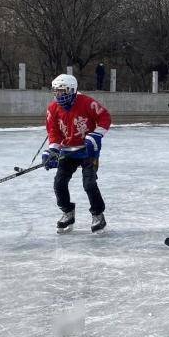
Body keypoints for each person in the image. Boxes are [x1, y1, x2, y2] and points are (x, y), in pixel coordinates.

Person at [42, 74, 112, 234]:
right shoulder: (53, 108)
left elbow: (105, 117)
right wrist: (52, 150)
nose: (59, 95)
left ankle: (98, 214)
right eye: (56, 91)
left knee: (89, 184)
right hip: (68, 152)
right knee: (59, 183)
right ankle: (67, 212)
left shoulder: (87, 103)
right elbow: (53, 131)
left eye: (63, 91)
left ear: (72, 90)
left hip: (88, 151)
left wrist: (96, 135)